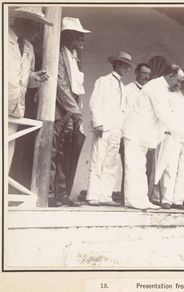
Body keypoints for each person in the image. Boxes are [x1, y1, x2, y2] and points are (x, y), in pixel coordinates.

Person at [122, 64, 184, 210]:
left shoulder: (162, 88)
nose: (180, 84)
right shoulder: (156, 87)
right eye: (179, 80)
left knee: (140, 167)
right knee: (134, 167)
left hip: (142, 136)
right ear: (170, 75)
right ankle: (132, 200)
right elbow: (164, 115)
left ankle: (141, 199)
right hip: (134, 133)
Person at [49, 17, 91, 207]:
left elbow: (77, 86)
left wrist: (77, 109)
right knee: (53, 151)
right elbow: (60, 84)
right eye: (78, 36)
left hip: (71, 111)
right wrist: (73, 109)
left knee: (66, 152)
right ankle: (49, 193)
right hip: (60, 110)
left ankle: (62, 194)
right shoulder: (58, 55)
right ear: (69, 36)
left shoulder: (75, 58)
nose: (82, 40)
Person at [87, 51, 133, 206]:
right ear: (117, 65)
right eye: (123, 65)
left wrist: (122, 129)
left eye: (127, 67)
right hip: (104, 127)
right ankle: (93, 195)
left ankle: (105, 195)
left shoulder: (122, 86)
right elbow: (95, 103)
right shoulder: (104, 81)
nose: (125, 69)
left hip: (116, 129)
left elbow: (123, 109)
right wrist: (98, 123)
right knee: (97, 160)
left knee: (111, 163)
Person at [8, 7, 51, 172]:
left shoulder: (29, 48)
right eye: (37, 26)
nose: (38, 31)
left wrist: (35, 78)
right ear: (24, 22)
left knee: (7, 154)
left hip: (15, 108)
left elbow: (25, 78)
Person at [152, 71, 184, 209]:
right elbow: (168, 120)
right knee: (170, 168)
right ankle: (166, 199)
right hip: (173, 137)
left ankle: (178, 200)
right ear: (181, 83)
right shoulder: (171, 97)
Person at [113, 63, 152, 201]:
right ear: (136, 73)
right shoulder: (128, 89)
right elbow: (122, 112)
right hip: (129, 133)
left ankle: (139, 197)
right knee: (128, 166)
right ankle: (126, 198)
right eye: (143, 73)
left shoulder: (150, 91)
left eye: (148, 74)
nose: (146, 76)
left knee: (141, 168)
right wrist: (122, 134)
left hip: (144, 136)